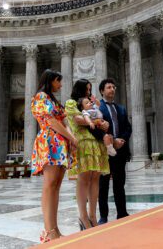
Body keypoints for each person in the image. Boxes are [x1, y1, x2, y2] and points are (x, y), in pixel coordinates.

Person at [30, 69, 78, 243]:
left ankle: (55, 229)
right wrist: (71, 137)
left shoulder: (53, 100)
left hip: (60, 142)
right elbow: (50, 121)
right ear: (50, 81)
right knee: (49, 184)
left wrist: (71, 138)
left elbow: (64, 120)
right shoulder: (41, 97)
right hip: (49, 140)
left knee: (56, 185)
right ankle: (48, 230)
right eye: (58, 81)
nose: (61, 84)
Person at [65, 79, 110, 230]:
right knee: (83, 179)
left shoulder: (91, 103)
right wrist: (97, 121)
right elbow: (77, 120)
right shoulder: (71, 103)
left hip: (95, 143)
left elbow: (100, 118)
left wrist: (103, 122)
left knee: (95, 178)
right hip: (82, 142)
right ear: (79, 89)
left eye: (90, 89)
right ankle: (83, 216)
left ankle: (93, 215)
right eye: (86, 89)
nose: (88, 92)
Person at [98, 78, 132, 224]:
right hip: (105, 152)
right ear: (102, 91)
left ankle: (122, 213)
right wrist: (112, 141)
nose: (112, 89)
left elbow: (128, 128)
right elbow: (97, 129)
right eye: (109, 87)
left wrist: (121, 140)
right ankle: (103, 216)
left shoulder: (121, 109)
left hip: (120, 151)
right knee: (103, 185)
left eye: (114, 87)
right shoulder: (98, 109)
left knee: (120, 184)